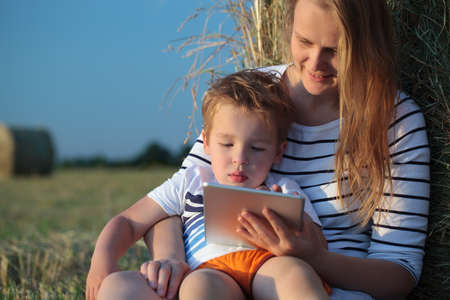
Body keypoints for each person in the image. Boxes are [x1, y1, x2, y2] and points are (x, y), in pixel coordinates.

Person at [95, 0, 430, 299]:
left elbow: (399, 272)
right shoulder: (251, 97)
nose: (315, 63)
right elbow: (176, 203)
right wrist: (171, 260)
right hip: (208, 275)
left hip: (308, 283)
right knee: (122, 290)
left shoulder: (395, 124)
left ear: (367, 46)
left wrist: (317, 259)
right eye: (304, 42)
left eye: (336, 50)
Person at [87, 70, 330, 300]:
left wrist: (284, 227)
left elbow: (318, 247)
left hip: (265, 264)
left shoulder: (285, 188)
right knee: (127, 286)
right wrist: (101, 264)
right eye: (226, 144)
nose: (240, 159)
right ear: (206, 142)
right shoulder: (191, 181)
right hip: (209, 271)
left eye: (256, 148)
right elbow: (129, 221)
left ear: (279, 151)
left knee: (296, 275)